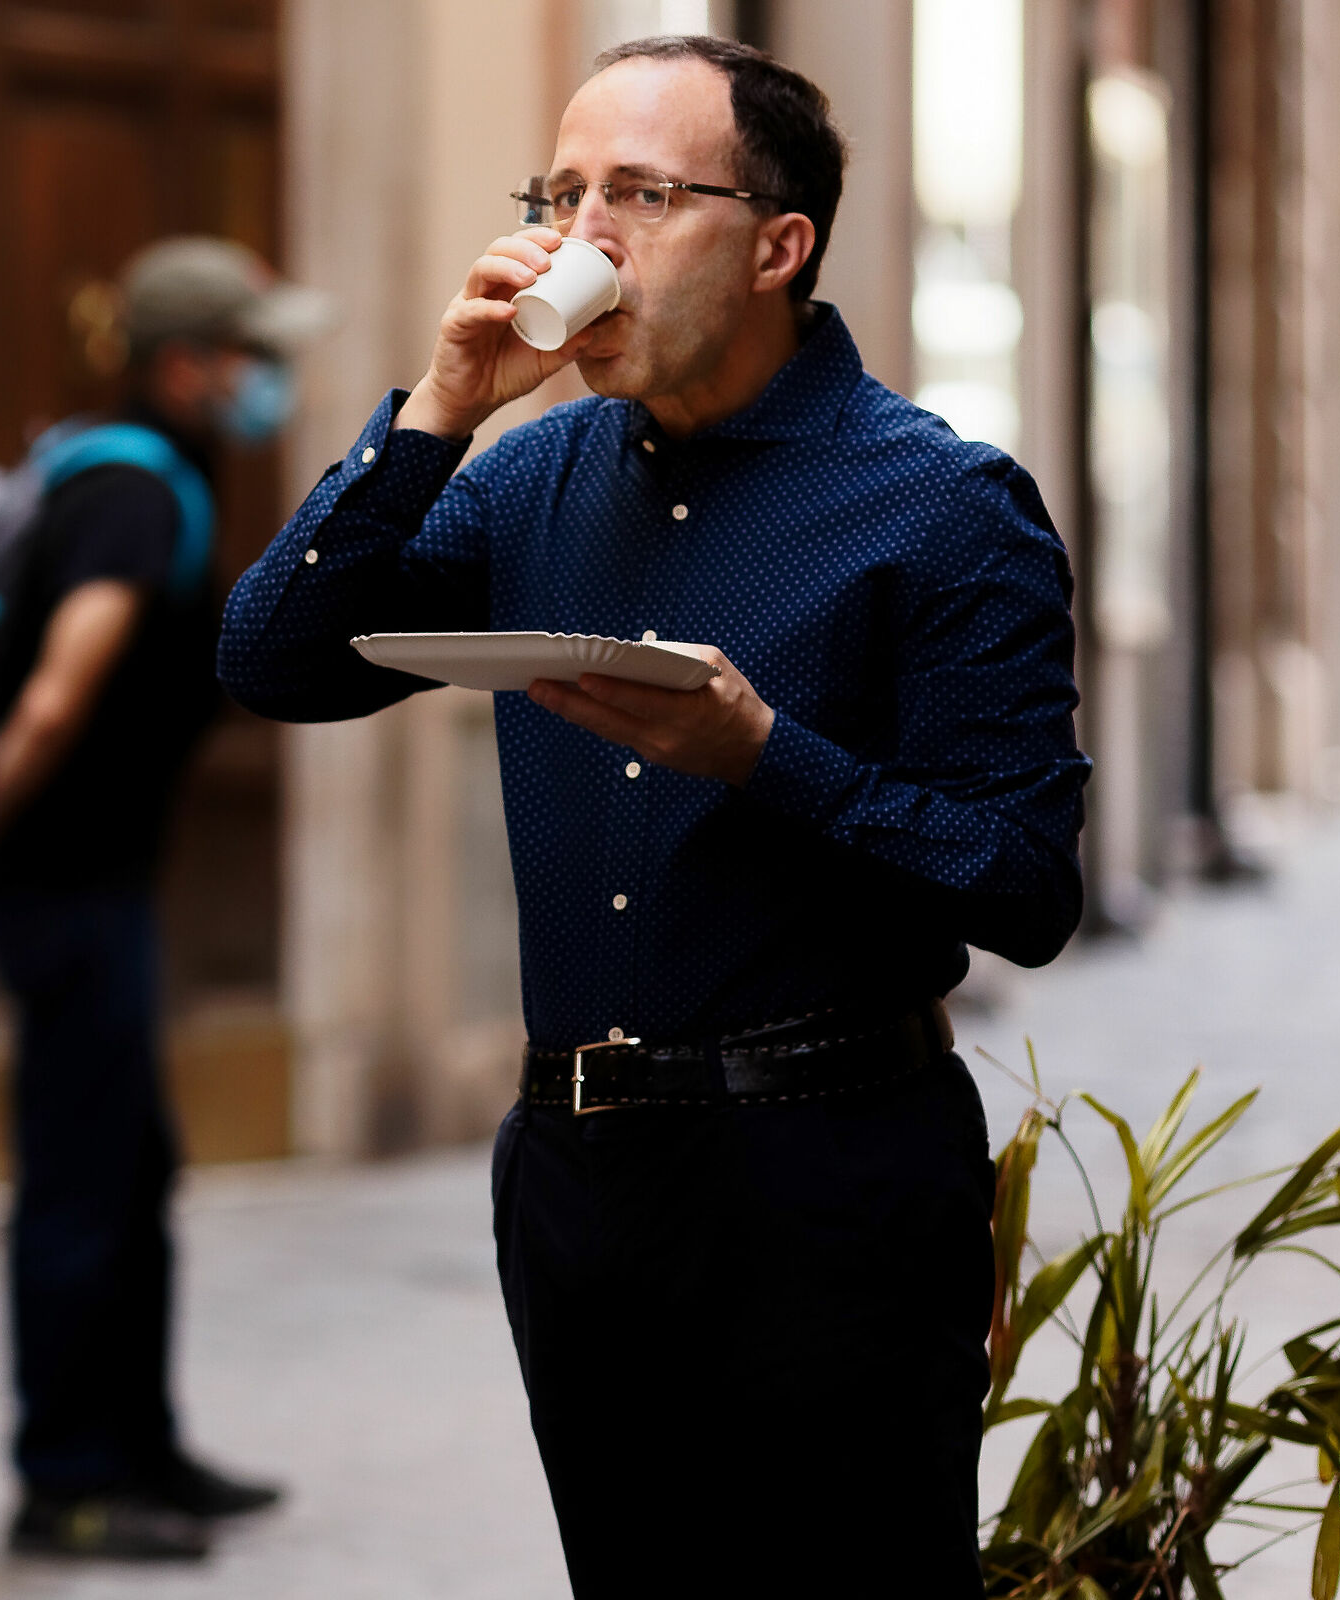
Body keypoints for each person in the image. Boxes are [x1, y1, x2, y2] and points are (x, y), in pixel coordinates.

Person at [218, 36, 1088, 1598]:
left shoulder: (948, 506)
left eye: (638, 192)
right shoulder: (527, 476)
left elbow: (1023, 880)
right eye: (560, 194)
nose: (583, 236)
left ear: (776, 245)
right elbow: (275, 659)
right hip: (578, 1173)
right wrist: (437, 408)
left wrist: (764, 751)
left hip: (835, 1174)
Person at [0, 238, 323, 1561]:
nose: (271, 380)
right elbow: (56, 690)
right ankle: (66, 1478)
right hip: (66, 884)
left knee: (133, 1165)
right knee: (84, 1178)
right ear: (190, 364)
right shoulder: (137, 495)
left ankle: (142, 1446)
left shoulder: (132, 471)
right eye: (254, 354)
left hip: (97, 882)